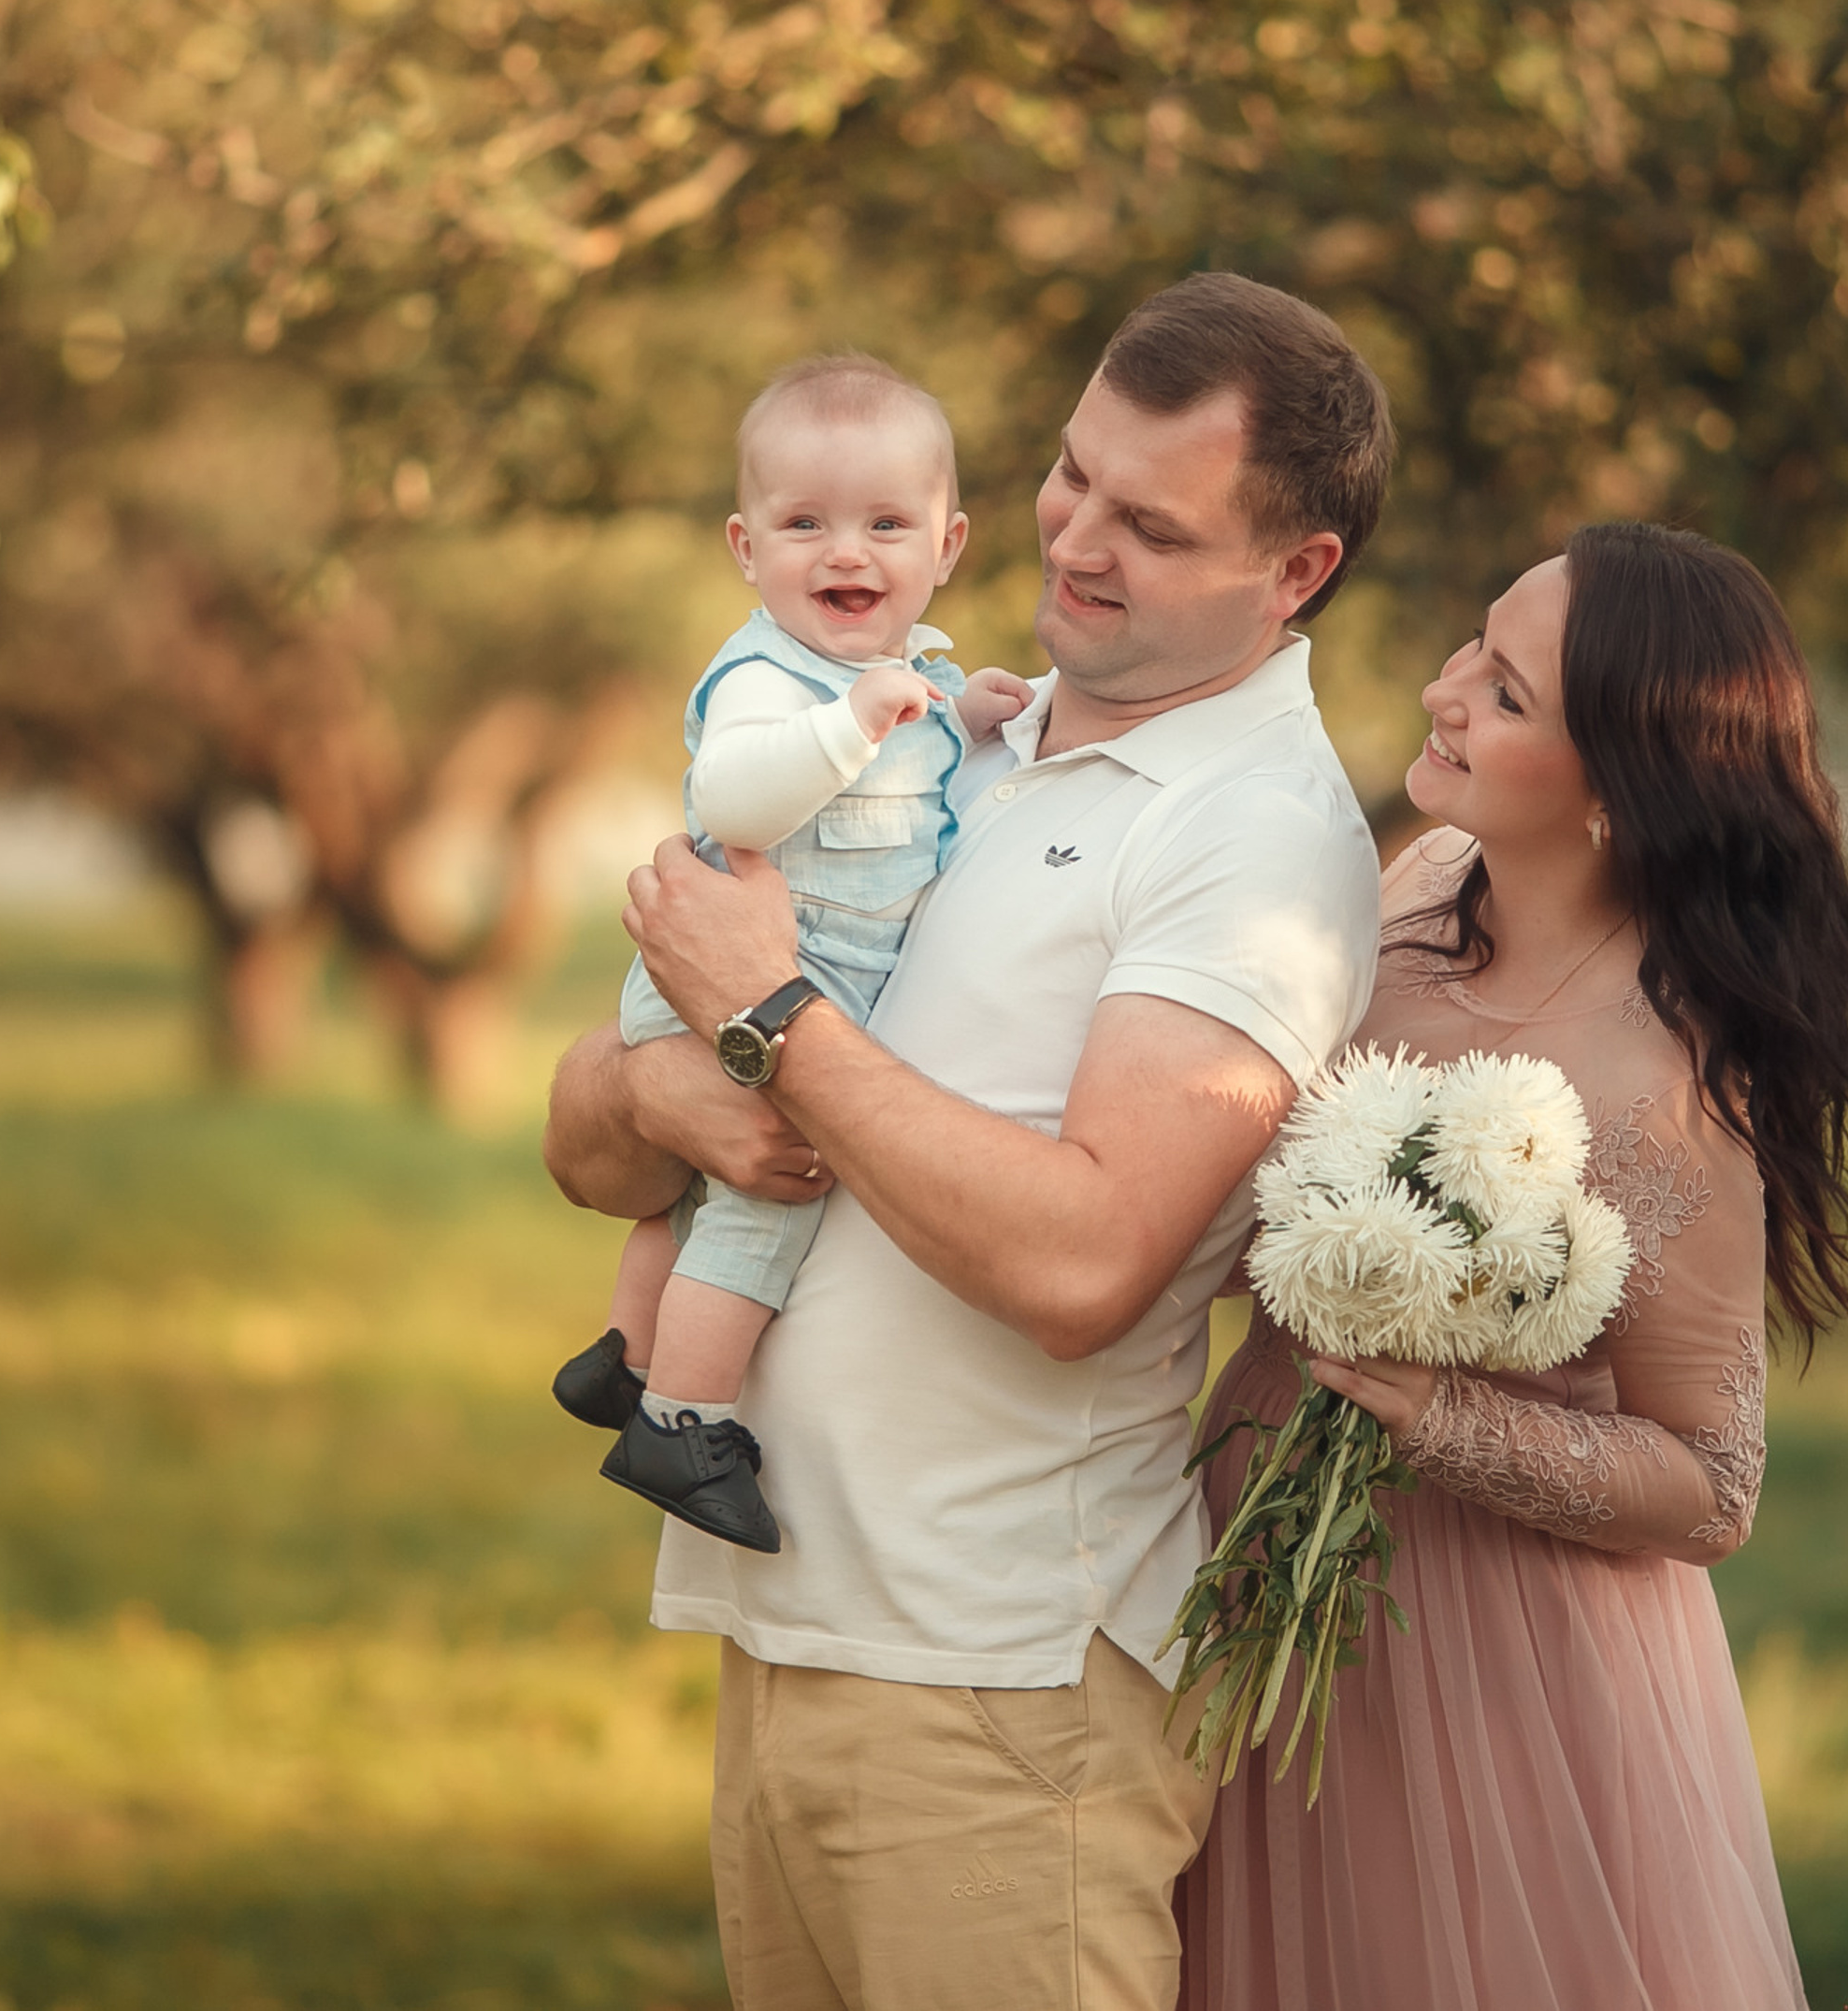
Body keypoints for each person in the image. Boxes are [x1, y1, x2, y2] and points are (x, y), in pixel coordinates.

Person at [542, 272, 1394, 2011]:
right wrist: (658, 1085)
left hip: (1001, 1690)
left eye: (1149, 524)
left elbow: (1084, 1265)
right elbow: (589, 1146)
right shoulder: (944, 722)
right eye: (1071, 475)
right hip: (790, 1632)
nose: (1074, 539)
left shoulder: (1256, 843)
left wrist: (776, 1024)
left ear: (1293, 571)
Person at [1179, 523, 1848, 2011]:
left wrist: (1433, 1418)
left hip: (1492, 1660)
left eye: (1506, 694)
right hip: (1257, 1535)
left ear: (1614, 793)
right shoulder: (1420, 880)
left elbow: (1714, 1483)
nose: (1447, 691)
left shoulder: (1667, 1090)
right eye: (1476, 643)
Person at [553, 352, 1030, 1553]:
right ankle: (684, 1420)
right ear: (744, 545)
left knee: (702, 1185)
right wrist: (850, 722)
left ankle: (627, 1356)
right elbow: (737, 799)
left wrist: (955, 715)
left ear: (949, 542)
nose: (845, 553)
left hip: (766, 978)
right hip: (743, 973)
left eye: (884, 523)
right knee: (765, 1203)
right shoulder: (775, 678)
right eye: (803, 522)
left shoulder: (900, 668)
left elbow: (909, 759)